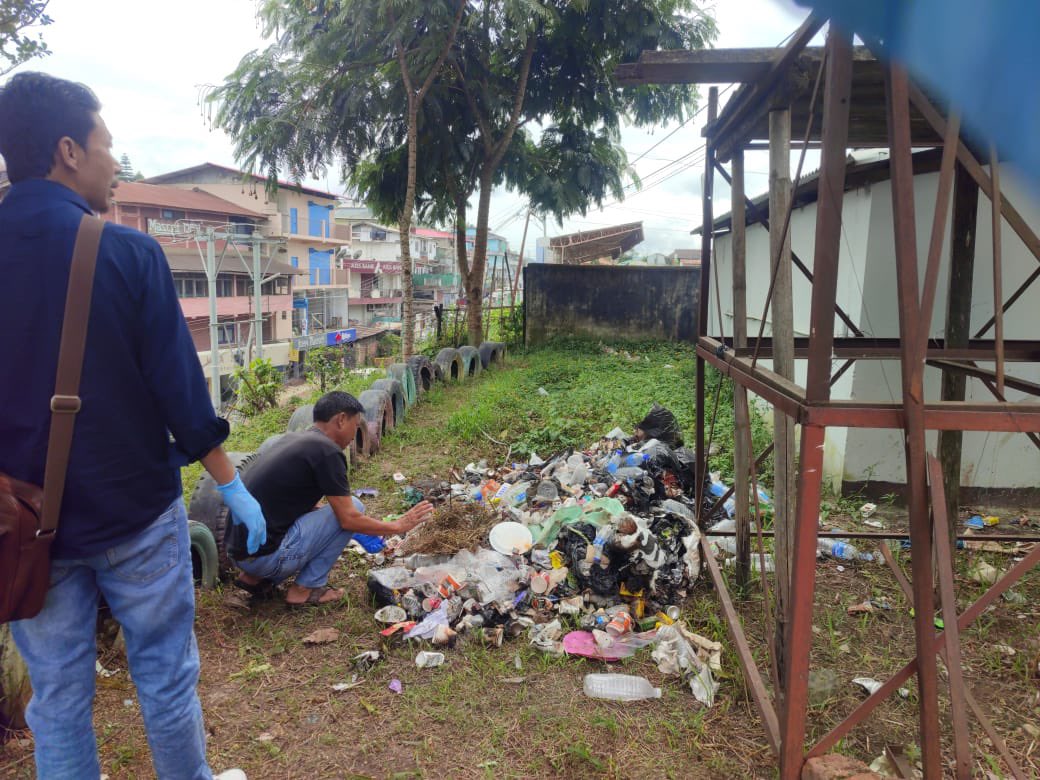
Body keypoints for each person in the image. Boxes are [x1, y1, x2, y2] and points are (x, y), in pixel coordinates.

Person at [0, 72, 267, 780]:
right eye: (107, 146)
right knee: (165, 679)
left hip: (24, 528)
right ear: (67, 151)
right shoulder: (127, 253)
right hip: (136, 520)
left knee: (56, 700)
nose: (115, 163)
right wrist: (231, 485)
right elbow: (180, 393)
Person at [230, 391, 434, 606]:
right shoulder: (328, 451)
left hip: (240, 554)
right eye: (356, 426)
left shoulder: (292, 440)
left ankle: (253, 579)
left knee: (330, 511)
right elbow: (348, 519)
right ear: (341, 420)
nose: (355, 434)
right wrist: (398, 525)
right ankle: (303, 590)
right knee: (353, 507)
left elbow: (293, 500)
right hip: (266, 558)